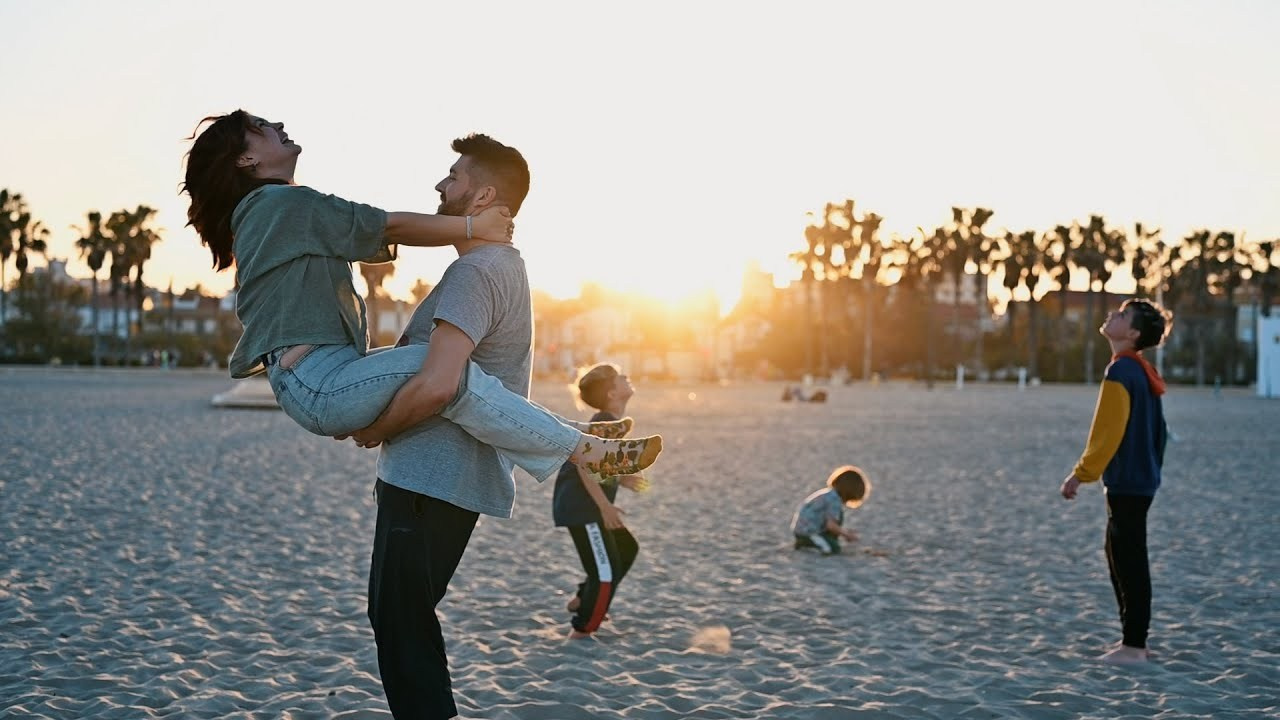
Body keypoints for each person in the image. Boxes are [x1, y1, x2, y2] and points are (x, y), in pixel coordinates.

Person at [180, 110, 661, 483]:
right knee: (441, 372)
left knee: (448, 374)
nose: (278, 125)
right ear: (247, 159)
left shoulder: (280, 210)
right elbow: (389, 225)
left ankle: (578, 440)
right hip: (316, 379)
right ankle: (581, 451)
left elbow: (378, 230)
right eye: (262, 127)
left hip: (322, 376)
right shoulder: (279, 203)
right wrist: (474, 225)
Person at [1060, 298, 1172, 665]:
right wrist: (1151, 467)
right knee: (1120, 554)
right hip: (1141, 481)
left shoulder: (1122, 372)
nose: (1113, 314)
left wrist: (1081, 474)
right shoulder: (1141, 371)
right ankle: (1134, 641)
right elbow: (1162, 432)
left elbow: (1106, 434)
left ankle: (1133, 647)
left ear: (1134, 333)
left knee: (1128, 560)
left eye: (1122, 315)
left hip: (1128, 482)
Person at [551, 364, 650, 640]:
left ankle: (586, 599)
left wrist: (622, 480)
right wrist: (605, 507)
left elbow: (599, 464)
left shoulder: (609, 421)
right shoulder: (605, 422)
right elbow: (584, 467)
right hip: (582, 507)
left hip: (585, 503)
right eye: (621, 378)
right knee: (604, 573)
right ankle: (582, 629)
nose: (627, 378)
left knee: (626, 548)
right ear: (611, 393)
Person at [791, 466, 871, 555]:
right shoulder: (834, 500)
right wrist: (847, 535)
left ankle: (809, 541)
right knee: (832, 549)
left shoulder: (828, 494)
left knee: (837, 519)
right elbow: (831, 526)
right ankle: (806, 544)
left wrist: (844, 531)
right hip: (808, 532)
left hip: (801, 529)